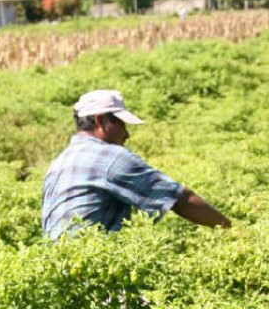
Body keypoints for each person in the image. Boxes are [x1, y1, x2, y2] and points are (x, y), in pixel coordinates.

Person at [42, 89, 231, 240]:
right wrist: (231, 230)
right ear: (101, 120)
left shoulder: (59, 161)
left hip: (59, 274)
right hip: (91, 275)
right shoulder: (110, 158)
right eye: (122, 124)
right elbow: (179, 200)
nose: (127, 134)